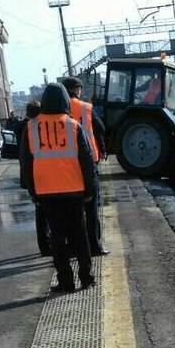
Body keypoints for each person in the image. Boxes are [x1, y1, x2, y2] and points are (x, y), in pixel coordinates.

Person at [21, 83, 97, 293]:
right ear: (65, 101)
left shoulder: (31, 127)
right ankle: (87, 277)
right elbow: (86, 160)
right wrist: (89, 189)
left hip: (47, 192)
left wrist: (32, 192)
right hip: (74, 190)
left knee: (57, 238)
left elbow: (26, 164)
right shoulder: (73, 126)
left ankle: (66, 281)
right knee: (79, 236)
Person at [62, 77, 109, 256]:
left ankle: (74, 247)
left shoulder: (56, 111)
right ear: (77, 90)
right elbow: (100, 128)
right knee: (91, 208)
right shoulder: (85, 108)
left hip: (65, 166)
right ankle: (94, 246)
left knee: (71, 211)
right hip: (88, 161)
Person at [21, 100, 51, 256]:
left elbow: (25, 159)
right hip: (47, 177)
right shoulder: (40, 127)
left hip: (33, 178)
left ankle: (44, 246)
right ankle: (52, 243)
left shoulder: (25, 127)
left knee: (40, 213)